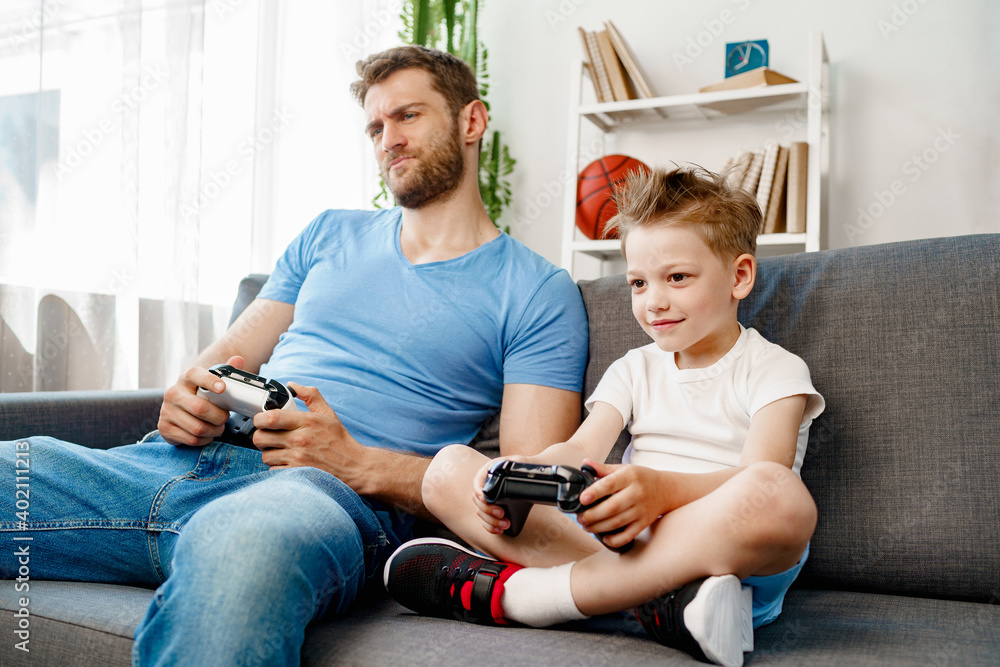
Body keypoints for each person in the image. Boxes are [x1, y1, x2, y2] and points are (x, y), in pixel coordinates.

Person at [0, 45, 588, 666]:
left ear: (472, 121)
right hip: (169, 466)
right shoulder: (328, 234)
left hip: (323, 501)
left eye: (407, 116)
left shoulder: (537, 292)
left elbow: (521, 502)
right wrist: (184, 400)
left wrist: (358, 463)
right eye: (375, 126)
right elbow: (221, 360)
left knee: (240, 548)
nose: (388, 138)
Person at [385, 165, 825, 667]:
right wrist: (520, 478)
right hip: (625, 543)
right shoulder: (634, 367)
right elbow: (578, 450)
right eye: (638, 282)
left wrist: (662, 490)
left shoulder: (775, 369)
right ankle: (660, 607)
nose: (654, 301)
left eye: (677, 278)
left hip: (727, 551)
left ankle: (523, 597)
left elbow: (760, 474)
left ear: (739, 276)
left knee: (780, 495)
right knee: (445, 472)